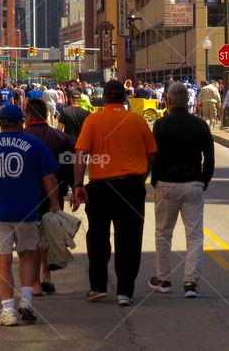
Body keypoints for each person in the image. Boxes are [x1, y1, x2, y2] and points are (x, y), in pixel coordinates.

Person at [0, 104, 61, 327]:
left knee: (3, 261)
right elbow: (49, 178)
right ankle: (26, 300)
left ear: (0, 123)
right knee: (28, 255)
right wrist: (54, 204)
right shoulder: (35, 145)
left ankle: (8, 310)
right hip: (27, 210)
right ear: (22, 122)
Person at [71, 79, 157, 306]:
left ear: (105, 98)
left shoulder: (93, 120)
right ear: (125, 97)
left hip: (100, 187)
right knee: (129, 238)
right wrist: (142, 176)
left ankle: (98, 286)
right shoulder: (138, 121)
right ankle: (125, 291)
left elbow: (80, 153)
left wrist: (78, 185)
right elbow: (151, 153)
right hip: (131, 186)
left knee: (98, 237)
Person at [150, 83, 214, 298]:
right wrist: (204, 180)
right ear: (187, 101)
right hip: (193, 183)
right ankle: (190, 283)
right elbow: (209, 157)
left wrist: (155, 179)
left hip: (167, 182)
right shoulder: (200, 125)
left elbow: (155, 156)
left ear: (168, 101)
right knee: (194, 234)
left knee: (163, 233)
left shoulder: (160, 125)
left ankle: (164, 279)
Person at [22, 98, 74, 296]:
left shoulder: (21, 138)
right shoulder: (60, 138)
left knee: (30, 239)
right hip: (54, 193)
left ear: (29, 115)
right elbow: (69, 166)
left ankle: (34, 283)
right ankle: (47, 276)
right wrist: (71, 187)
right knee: (47, 236)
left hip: (26, 196)